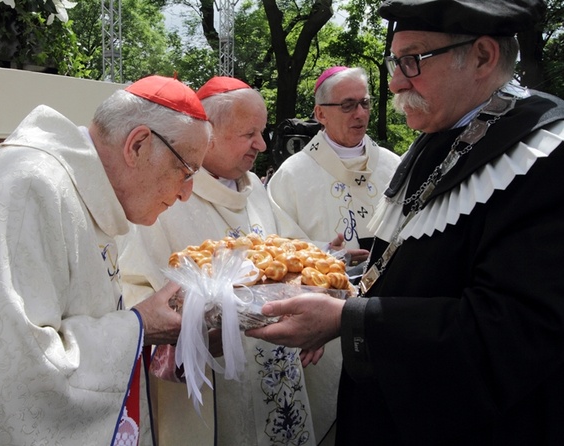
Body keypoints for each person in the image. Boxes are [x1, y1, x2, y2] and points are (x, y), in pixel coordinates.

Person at [247, 0, 564, 445]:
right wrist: (342, 286)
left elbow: (514, 332)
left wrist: (349, 318)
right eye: (395, 63)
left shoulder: (546, 156)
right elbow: (415, 271)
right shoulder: (443, 138)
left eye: (412, 61)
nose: (394, 83)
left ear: (482, 56)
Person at [0, 75, 212, 445]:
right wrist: (140, 325)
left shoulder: (64, 189)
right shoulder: (32, 188)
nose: (187, 193)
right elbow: (11, 375)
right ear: (138, 144)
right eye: (186, 171)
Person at [117, 76, 325, 445]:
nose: (261, 145)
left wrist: (313, 310)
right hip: (214, 387)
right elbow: (131, 298)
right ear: (208, 134)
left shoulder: (256, 189)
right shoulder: (164, 198)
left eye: (262, 132)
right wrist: (187, 337)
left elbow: (290, 258)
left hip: (278, 371)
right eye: (249, 134)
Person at [267, 66, 401, 267]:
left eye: (365, 103)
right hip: (322, 290)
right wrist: (326, 252)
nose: (360, 113)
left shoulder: (392, 165)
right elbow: (276, 243)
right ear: (321, 114)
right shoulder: (292, 174)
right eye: (348, 105)